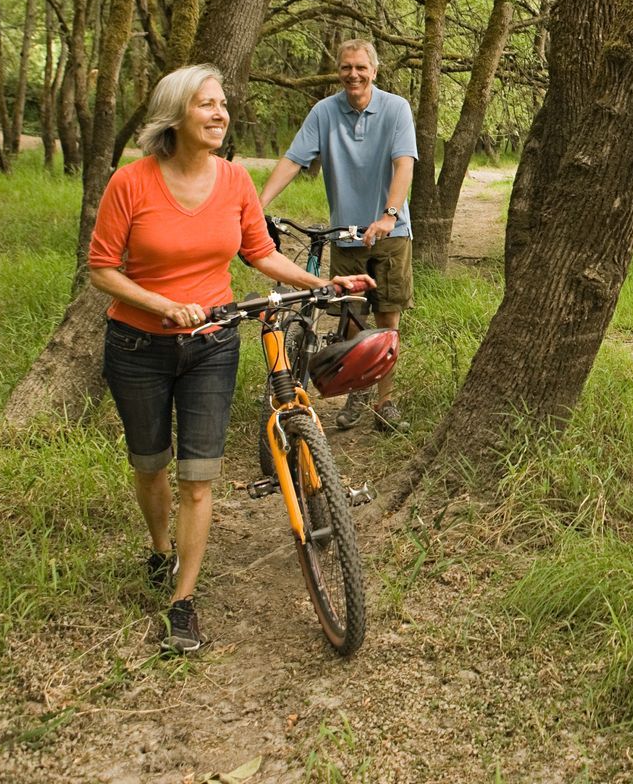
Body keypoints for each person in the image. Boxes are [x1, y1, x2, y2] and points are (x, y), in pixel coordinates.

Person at [88, 64, 371, 656]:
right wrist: (162, 303)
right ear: (175, 115)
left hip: (212, 343)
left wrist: (327, 282)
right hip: (138, 347)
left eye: (222, 105)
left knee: (198, 478)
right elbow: (102, 268)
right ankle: (160, 550)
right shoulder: (131, 184)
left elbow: (260, 254)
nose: (220, 114)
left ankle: (182, 603)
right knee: (150, 465)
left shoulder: (236, 180)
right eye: (205, 105)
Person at [259, 38, 417, 432]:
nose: (353, 74)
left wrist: (388, 214)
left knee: (387, 320)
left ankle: (386, 401)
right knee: (350, 319)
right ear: (339, 72)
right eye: (346, 67)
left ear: (374, 71)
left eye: (360, 67)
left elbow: (404, 165)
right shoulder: (324, 112)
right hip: (346, 236)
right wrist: (255, 204)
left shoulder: (396, 109)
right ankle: (356, 394)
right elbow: (294, 160)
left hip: (390, 233)